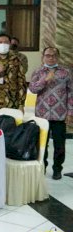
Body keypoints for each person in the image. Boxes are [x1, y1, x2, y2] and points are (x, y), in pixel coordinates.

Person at [29, 47, 73, 180]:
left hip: (60, 114)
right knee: (42, 143)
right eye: (48, 55)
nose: (51, 58)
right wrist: (45, 80)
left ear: (57, 57)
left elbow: (71, 93)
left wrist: (70, 112)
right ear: (43, 57)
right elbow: (32, 89)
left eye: (54, 55)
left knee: (59, 145)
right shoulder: (38, 71)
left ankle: (57, 169)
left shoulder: (66, 72)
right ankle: (42, 167)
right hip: (42, 115)